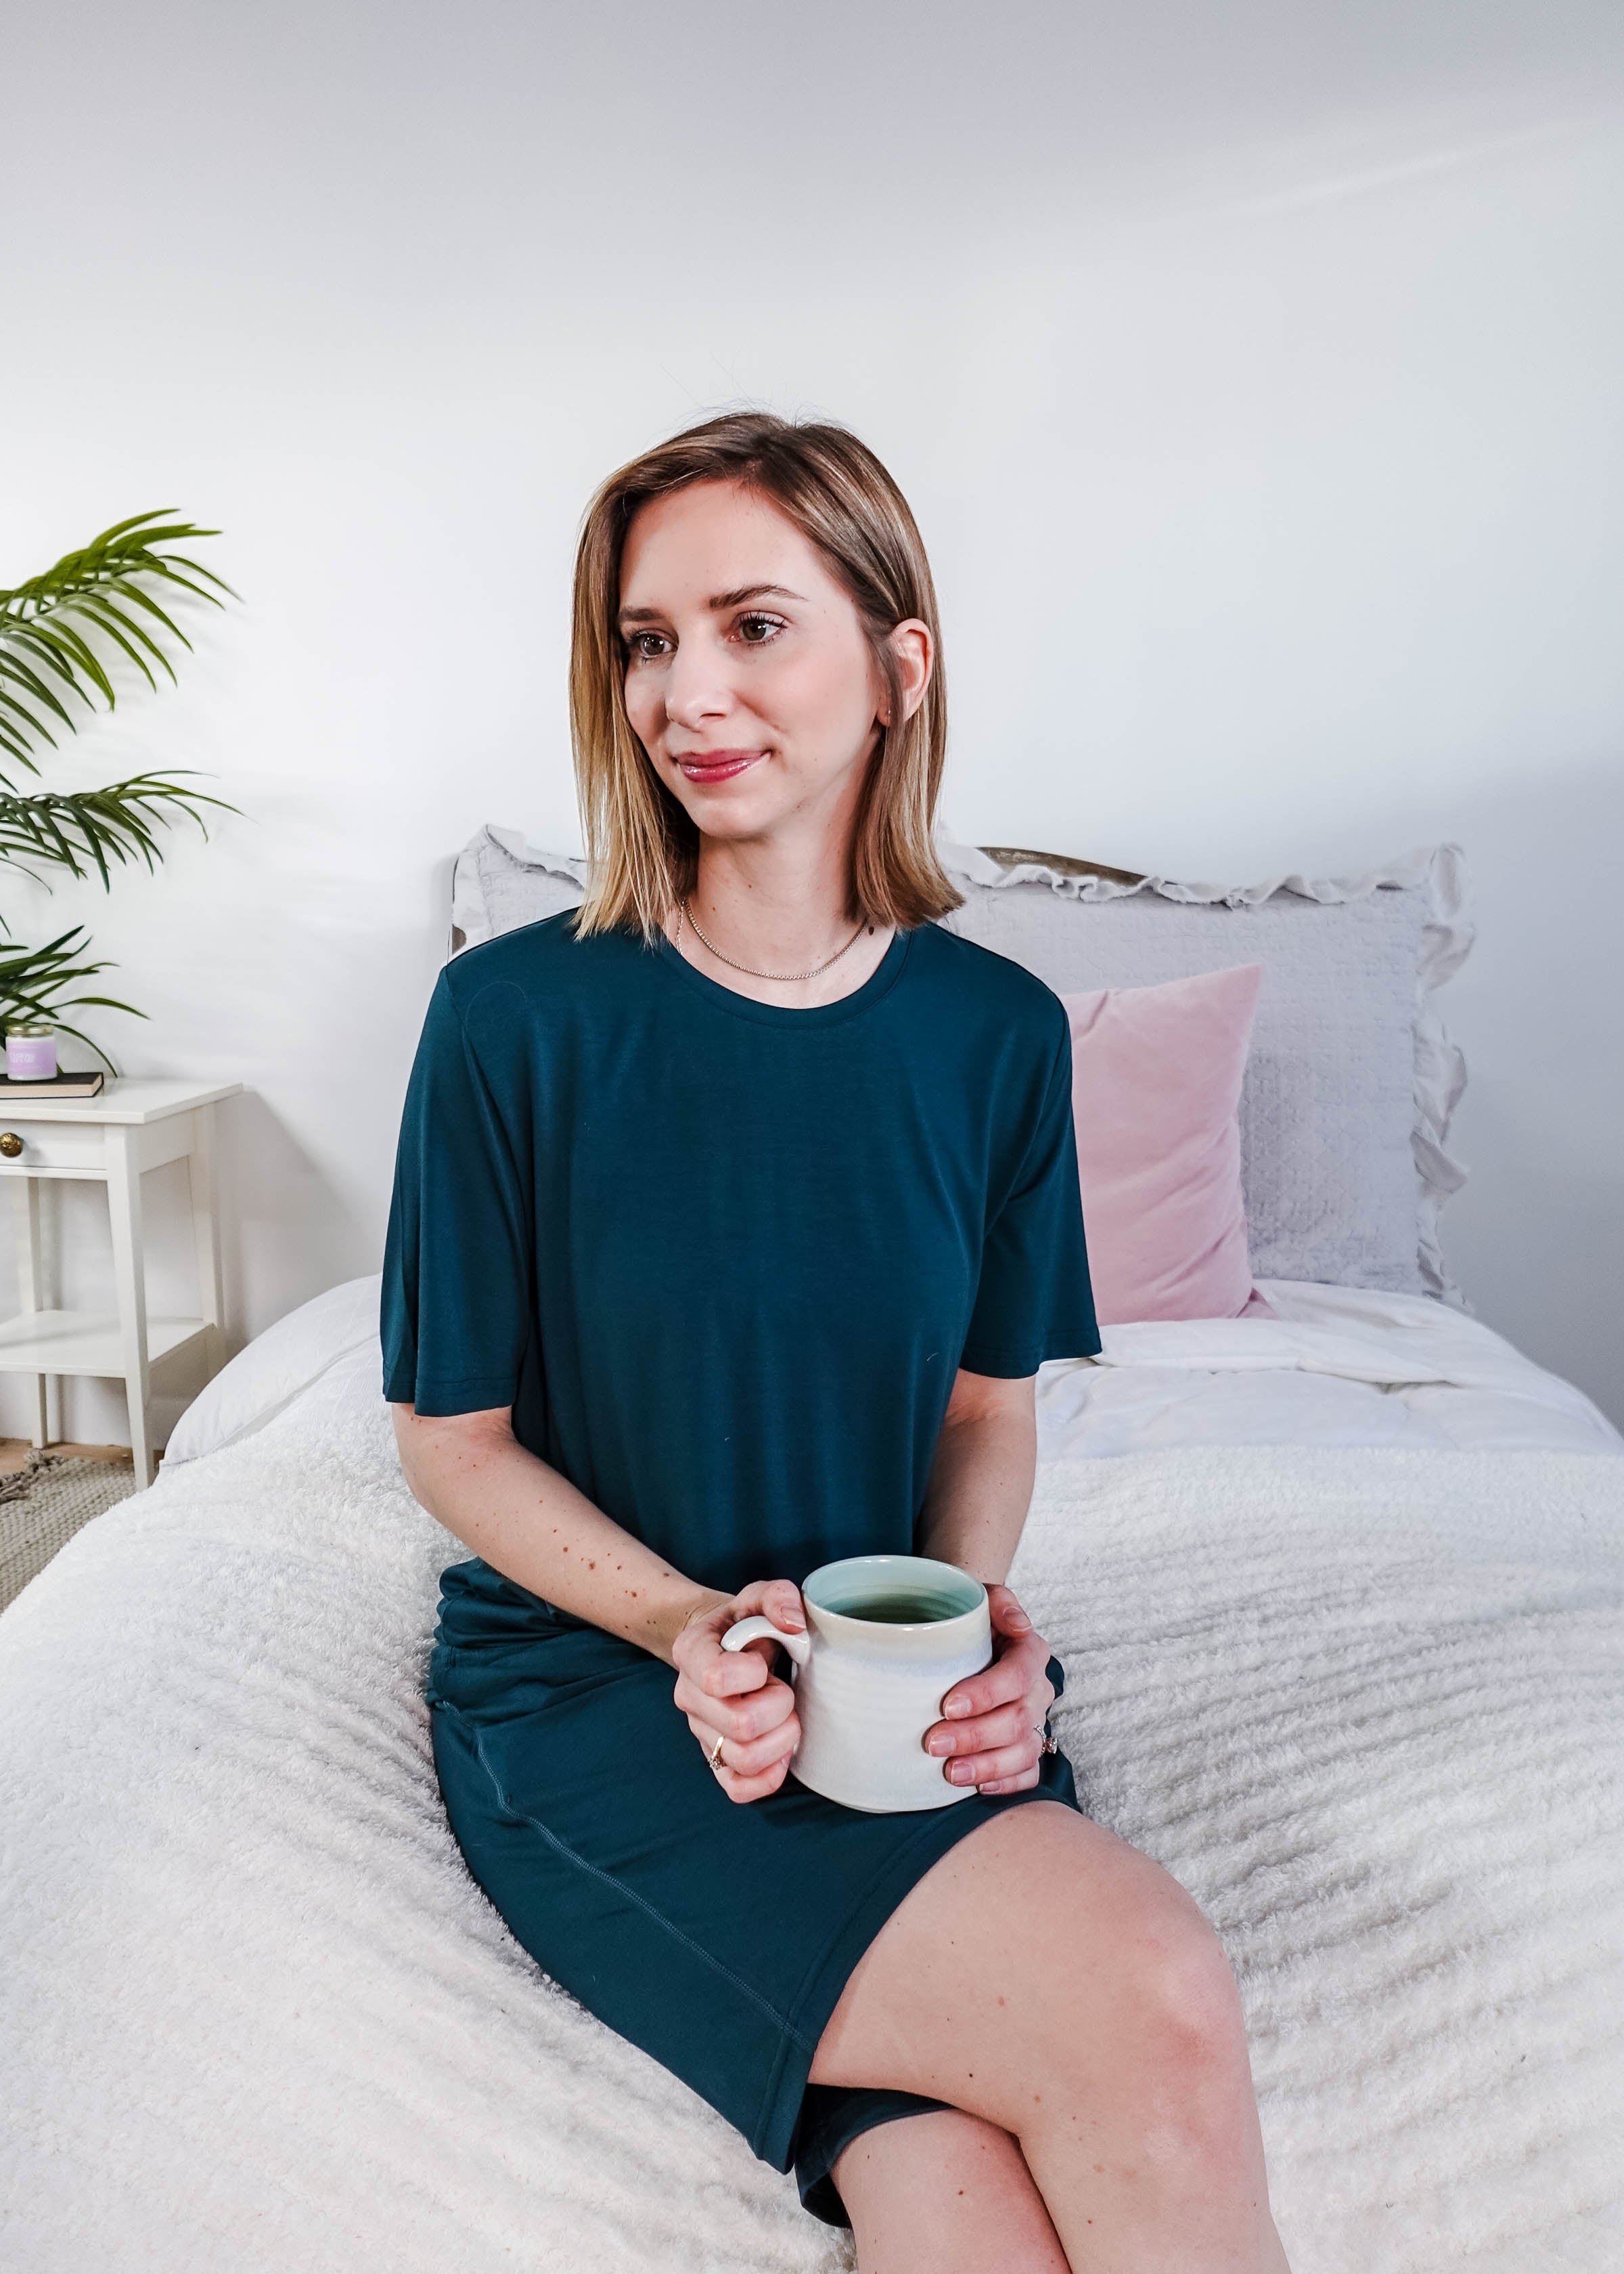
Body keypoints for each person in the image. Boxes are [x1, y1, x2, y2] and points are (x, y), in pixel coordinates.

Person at [382, 411, 1290, 2272]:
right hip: (606, 1697)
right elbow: (450, 1441)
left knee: (956, 2193)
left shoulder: (997, 1036)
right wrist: (685, 1629)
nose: (687, 693)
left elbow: (983, 1408)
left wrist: (964, 1628)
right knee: (1152, 1997)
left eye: (754, 626)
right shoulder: (510, 1020)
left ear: (898, 667)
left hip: (882, 1699)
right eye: (648, 641)